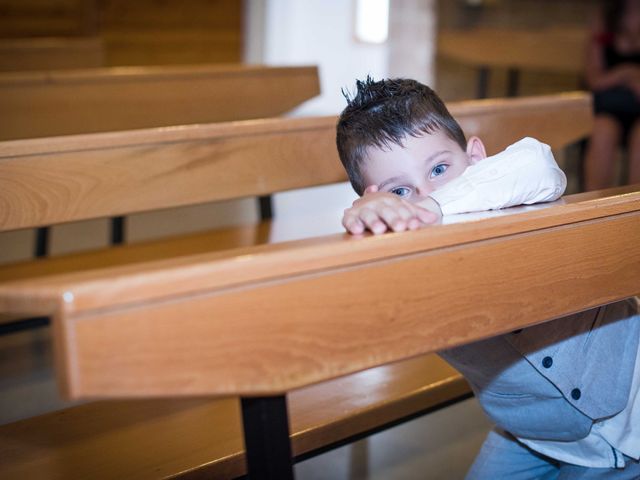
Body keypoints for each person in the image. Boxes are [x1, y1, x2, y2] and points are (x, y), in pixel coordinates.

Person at [336, 76, 640, 479]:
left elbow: (537, 162)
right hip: (531, 431)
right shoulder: (397, 247)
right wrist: (368, 226)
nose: (426, 194)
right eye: (400, 192)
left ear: (475, 158)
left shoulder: (511, 184)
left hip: (626, 422)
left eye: (440, 169)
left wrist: (431, 208)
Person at [583, 0, 640, 191]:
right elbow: (594, 80)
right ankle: (595, 209)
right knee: (603, 130)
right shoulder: (605, 19)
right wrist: (628, 73)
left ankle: (633, 212)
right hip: (610, 105)